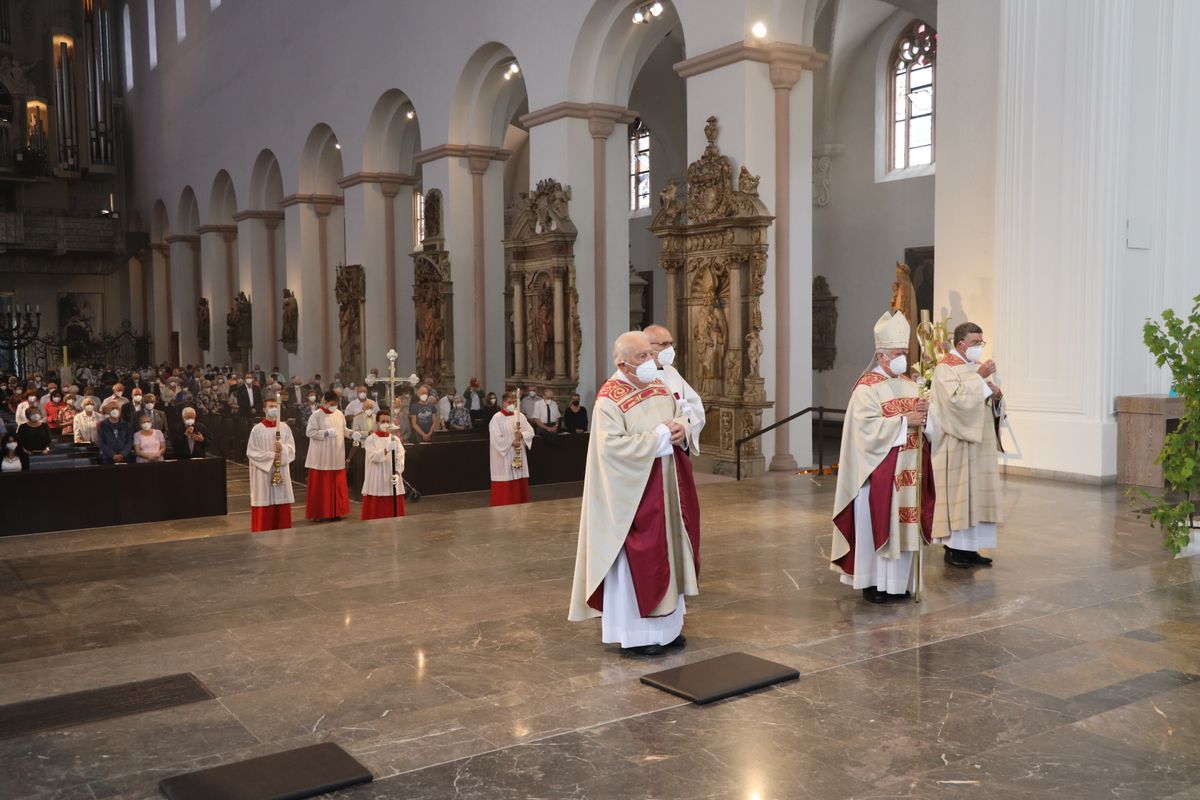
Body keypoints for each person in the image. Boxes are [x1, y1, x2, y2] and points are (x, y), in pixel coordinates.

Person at [568, 331, 699, 655]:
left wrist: (684, 429)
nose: (650, 362)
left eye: (649, 355)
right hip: (631, 498)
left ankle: (669, 631)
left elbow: (679, 413)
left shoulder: (658, 384)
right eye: (642, 357)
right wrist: (657, 438)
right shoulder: (609, 399)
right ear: (622, 363)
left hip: (666, 489)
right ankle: (639, 635)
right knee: (638, 562)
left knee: (668, 555)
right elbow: (609, 448)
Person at [830, 311, 935, 604]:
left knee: (905, 527)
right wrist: (905, 421)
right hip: (878, 474)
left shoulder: (912, 384)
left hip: (909, 474)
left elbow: (929, 426)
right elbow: (865, 431)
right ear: (882, 355)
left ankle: (899, 585)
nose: (904, 357)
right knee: (879, 525)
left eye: (905, 352)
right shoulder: (866, 389)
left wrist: (928, 415)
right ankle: (874, 583)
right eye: (898, 353)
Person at [930, 322, 1004, 568]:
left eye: (981, 342)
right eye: (975, 343)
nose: (979, 347)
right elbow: (954, 403)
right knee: (960, 495)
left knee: (978, 495)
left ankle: (971, 548)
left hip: (980, 442)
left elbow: (981, 401)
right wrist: (980, 378)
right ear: (960, 343)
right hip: (957, 443)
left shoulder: (973, 367)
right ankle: (954, 549)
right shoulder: (945, 369)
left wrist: (996, 397)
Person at [645, 324, 705, 452]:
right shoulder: (638, 374)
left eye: (671, 344)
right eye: (664, 344)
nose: (669, 348)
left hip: (677, 444)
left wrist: (684, 426)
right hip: (653, 447)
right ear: (647, 346)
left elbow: (695, 405)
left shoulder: (671, 371)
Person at [246, 398, 296, 531]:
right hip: (264, 472)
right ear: (264, 409)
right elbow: (251, 452)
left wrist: (283, 449)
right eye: (271, 406)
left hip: (281, 470)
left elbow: (292, 449)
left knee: (282, 501)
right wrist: (272, 456)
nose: (274, 408)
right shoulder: (257, 429)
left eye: (275, 406)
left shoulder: (284, 427)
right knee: (265, 499)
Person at [305, 389, 352, 521]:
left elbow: (343, 429)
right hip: (321, 457)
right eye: (331, 403)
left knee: (337, 485)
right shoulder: (316, 415)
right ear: (324, 402)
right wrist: (325, 433)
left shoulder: (339, 414)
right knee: (321, 487)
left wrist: (352, 434)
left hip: (336, 455)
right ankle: (319, 513)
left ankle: (337, 511)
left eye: (335, 403)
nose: (333, 406)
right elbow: (309, 432)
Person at [488, 391, 534, 506]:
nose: (512, 404)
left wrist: (522, 434)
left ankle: (521, 502)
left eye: (514, 402)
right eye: (509, 402)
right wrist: (511, 442)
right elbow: (495, 438)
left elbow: (531, 431)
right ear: (504, 403)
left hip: (518, 453)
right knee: (506, 476)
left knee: (519, 476)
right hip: (505, 454)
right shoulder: (497, 418)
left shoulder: (520, 416)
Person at [361, 408, 406, 519]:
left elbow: (401, 456)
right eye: (383, 421)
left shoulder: (395, 438)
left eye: (387, 421)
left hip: (392, 475)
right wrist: (386, 449)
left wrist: (397, 473)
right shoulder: (371, 439)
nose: (385, 424)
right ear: (377, 423)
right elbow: (373, 457)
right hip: (377, 475)